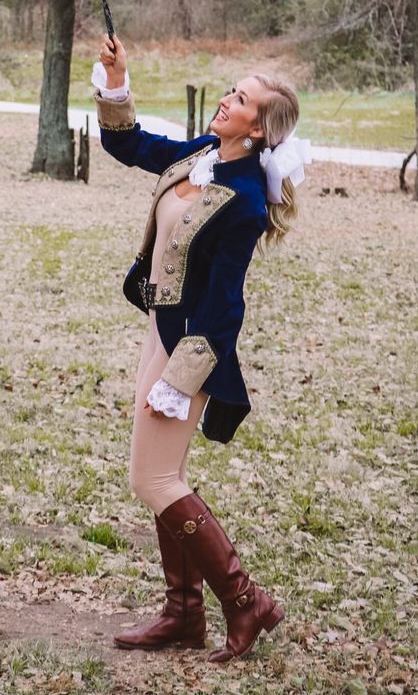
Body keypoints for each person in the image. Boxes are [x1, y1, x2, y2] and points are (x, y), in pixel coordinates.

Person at [91, 34, 311, 664]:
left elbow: (224, 306)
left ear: (261, 127)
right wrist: (117, 78)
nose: (225, 99)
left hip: (188, 349)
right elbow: (129, 144)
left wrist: (180, 380)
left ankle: (245, 602)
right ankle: (184, 615)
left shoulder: (242, 202)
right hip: (158, 331)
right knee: (165, 476)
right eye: (230, 90)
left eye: (240, 98)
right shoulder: (203, 155)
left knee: (153, 478)